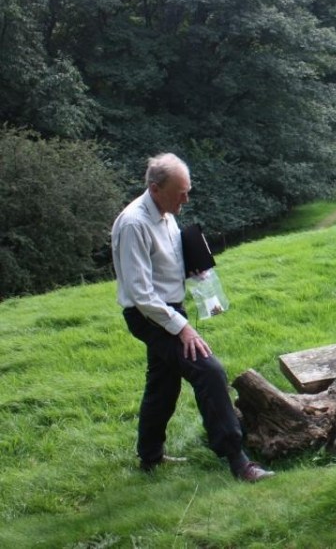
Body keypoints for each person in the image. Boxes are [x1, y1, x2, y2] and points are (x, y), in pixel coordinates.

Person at [111, 153, 274, 482]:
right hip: (150, 316)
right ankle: (238, 460)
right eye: (180, 192)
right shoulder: (133, 224)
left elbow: (164, 263)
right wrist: (182, 328)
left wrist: (192, 267)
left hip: (171, 309)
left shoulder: (167, 212)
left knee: (163, 384)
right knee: (209, 371)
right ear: (156, 188)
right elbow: (141, 293)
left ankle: (150, 457)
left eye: (188, 190)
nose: (186, 198)